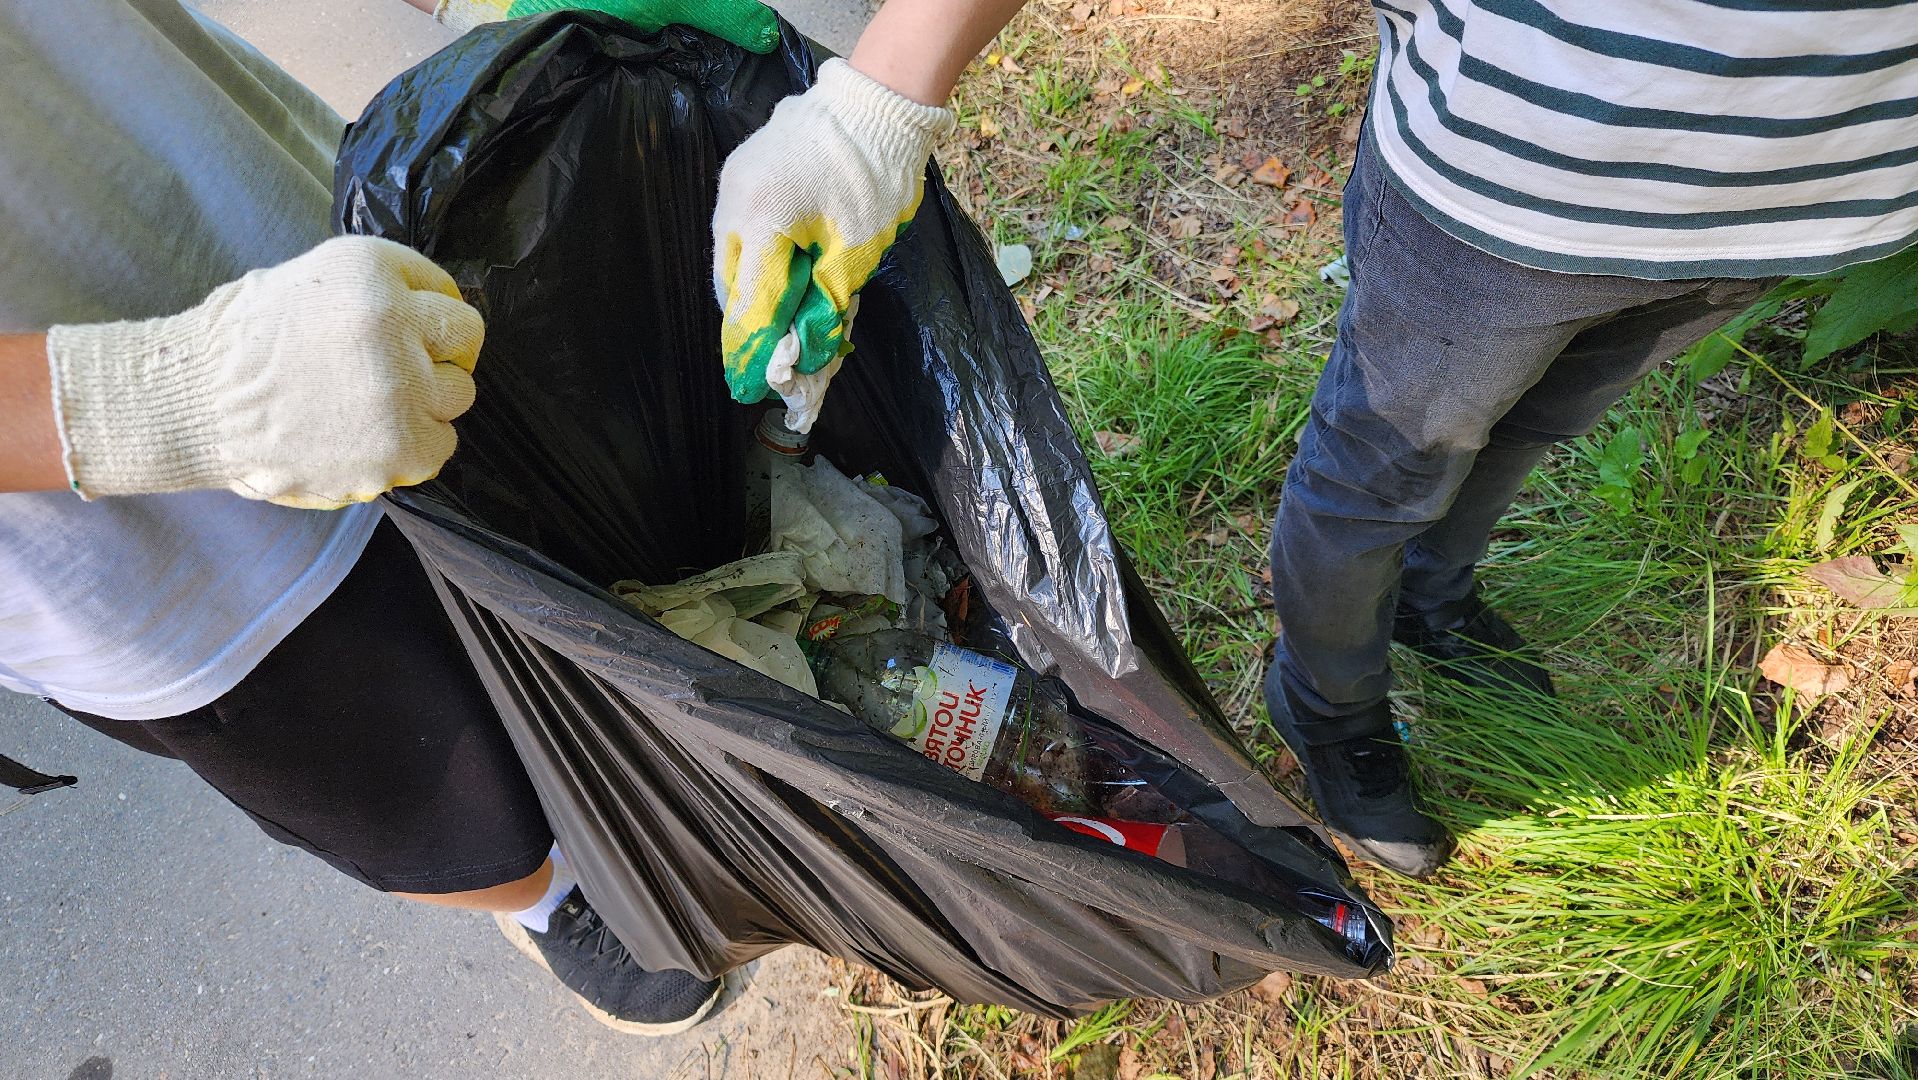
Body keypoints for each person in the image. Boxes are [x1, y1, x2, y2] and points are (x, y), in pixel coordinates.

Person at [701, 0, 1918, 881]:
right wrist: (872, 108)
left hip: (1809, 199)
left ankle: (1434, 597)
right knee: (1389, 466)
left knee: (1537, 422)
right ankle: (1327, 704)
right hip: (1511, 186)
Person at [0, 0, 1010, 1036]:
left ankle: (677, 814)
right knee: (426, 796)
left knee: (598, 621)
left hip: (342, 273)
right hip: (145, 564)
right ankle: (552, 899)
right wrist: (148, 403)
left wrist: (874, 110)